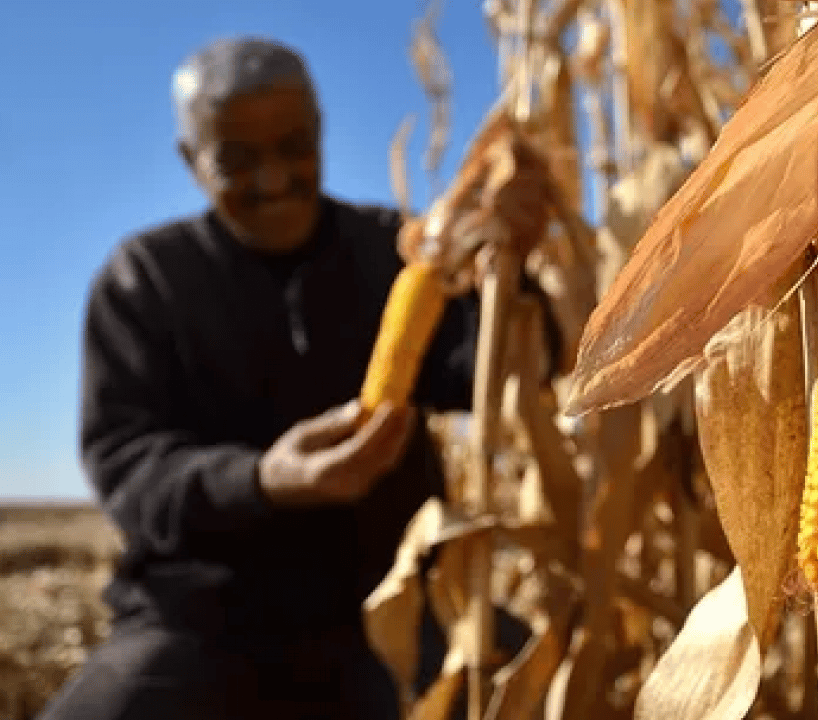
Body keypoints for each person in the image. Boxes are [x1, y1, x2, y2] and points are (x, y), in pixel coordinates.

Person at [38, 36, 500, 720]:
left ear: (319, 132)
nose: (274, 178)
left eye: (294, 146)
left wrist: (512, 270)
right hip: (201, 616)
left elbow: (495, 367)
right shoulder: (144, 279)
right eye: (237, 159)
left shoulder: (393, 249)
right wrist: (263, 481)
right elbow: (129, 468)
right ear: (191, 161)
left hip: (391, 600)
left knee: (521, 682)